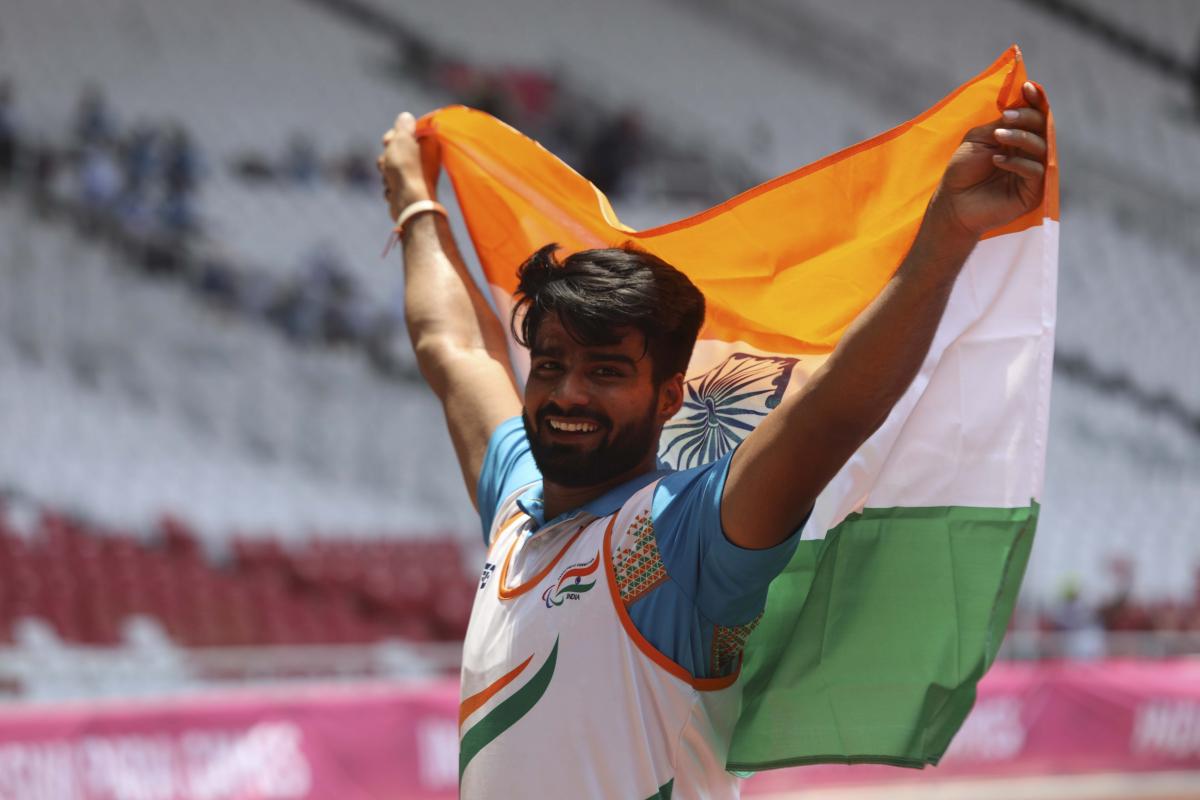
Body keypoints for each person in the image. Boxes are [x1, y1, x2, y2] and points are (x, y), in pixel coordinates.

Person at [377, 83, 1049, 798]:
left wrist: (946, 236)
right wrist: (415, 203)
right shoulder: (518, 504)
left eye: (605, 371)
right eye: (550, 365)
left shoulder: (674, 534)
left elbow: (828, 415)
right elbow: (454, 351)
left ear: (670, 396)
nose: (568, 392)